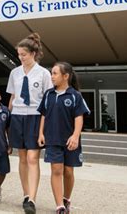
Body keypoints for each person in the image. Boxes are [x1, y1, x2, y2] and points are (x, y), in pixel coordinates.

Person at [6, 32, 53, 214]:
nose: (21, 58)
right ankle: (26, 194)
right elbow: (12, 97)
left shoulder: (43, 74)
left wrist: (45, 126)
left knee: (33, 158)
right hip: (17, 116)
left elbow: (48, 100)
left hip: (35, 116)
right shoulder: (14, 73)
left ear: (33, 53)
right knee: (23, 157)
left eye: (23, 54)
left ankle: (32, 199)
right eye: (19, 54)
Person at [37, 62, 90, 214]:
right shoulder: (48, 94)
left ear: (65, 76)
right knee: (56, 169)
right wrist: (41, 133)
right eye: (51, 73)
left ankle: (66, 198)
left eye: (55, 73)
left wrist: (75, 136)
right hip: (52, 139)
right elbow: (43, 115)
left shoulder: (75, 95)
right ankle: (59, 205)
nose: (52, 76)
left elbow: (79, 117)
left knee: (68, 171)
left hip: (70, 141)